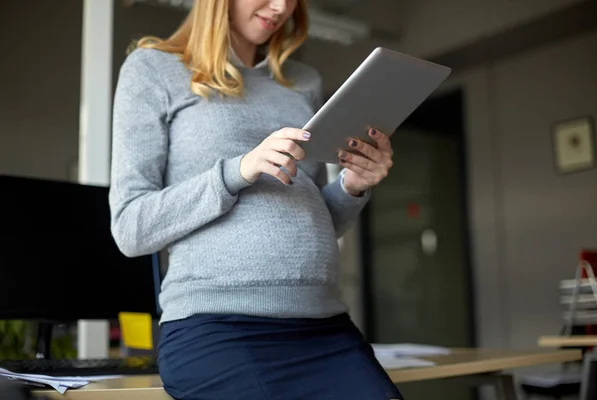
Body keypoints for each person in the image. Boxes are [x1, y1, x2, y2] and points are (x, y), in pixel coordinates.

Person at [109, 0, 401, 398]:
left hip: (325, 325)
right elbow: (131, 227)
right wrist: (238, 171)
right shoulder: (152, 70)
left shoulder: (304, 83)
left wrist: (352, 186)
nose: (281, 7)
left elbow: (314, 218)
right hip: (219, 330)